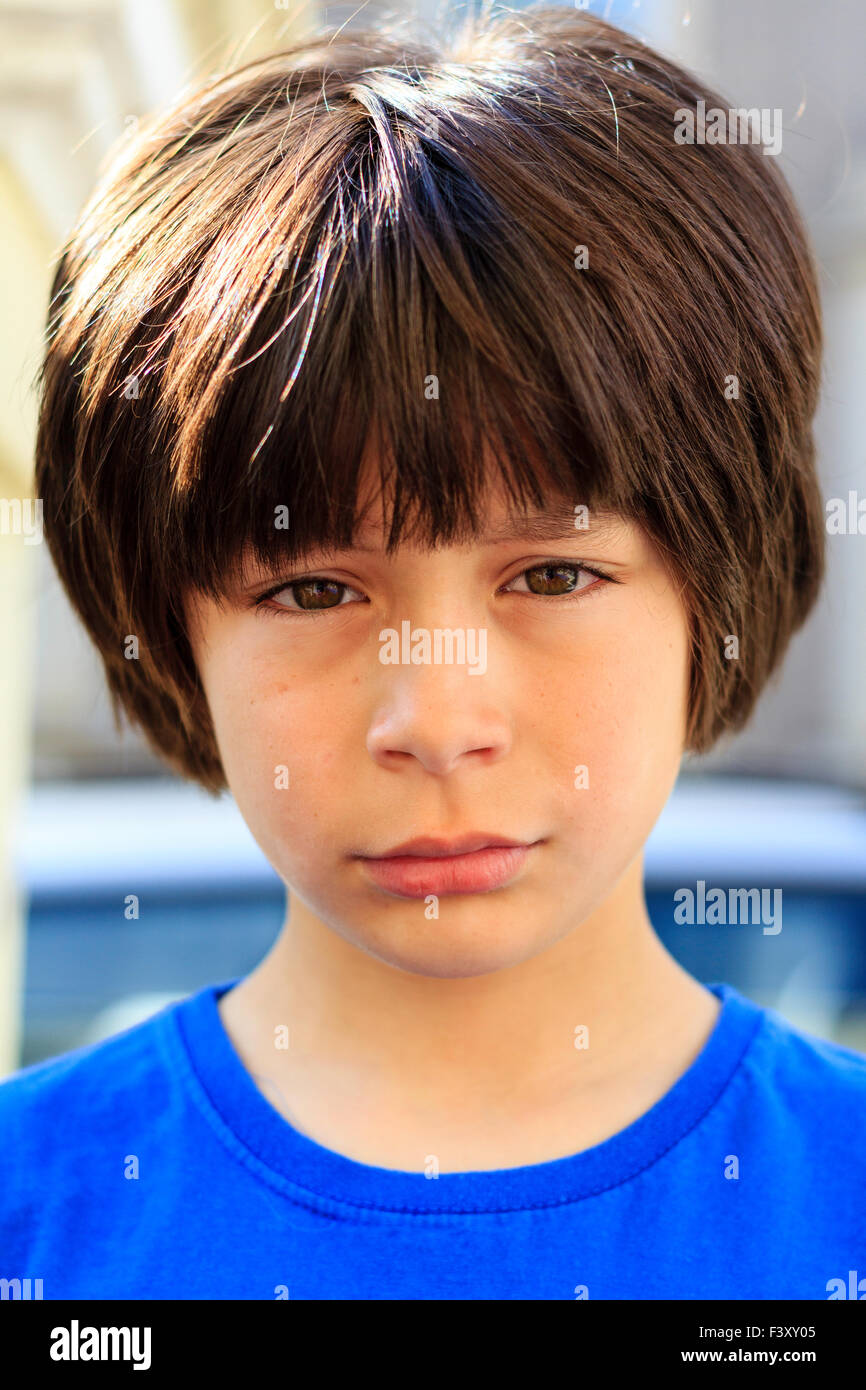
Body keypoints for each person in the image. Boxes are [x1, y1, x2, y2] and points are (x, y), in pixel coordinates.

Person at [2, 3, 864, 1300]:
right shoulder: (39, 1215)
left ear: (716, 575)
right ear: (169, 628)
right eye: (309, 588)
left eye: (553, 572)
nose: (438, 717)